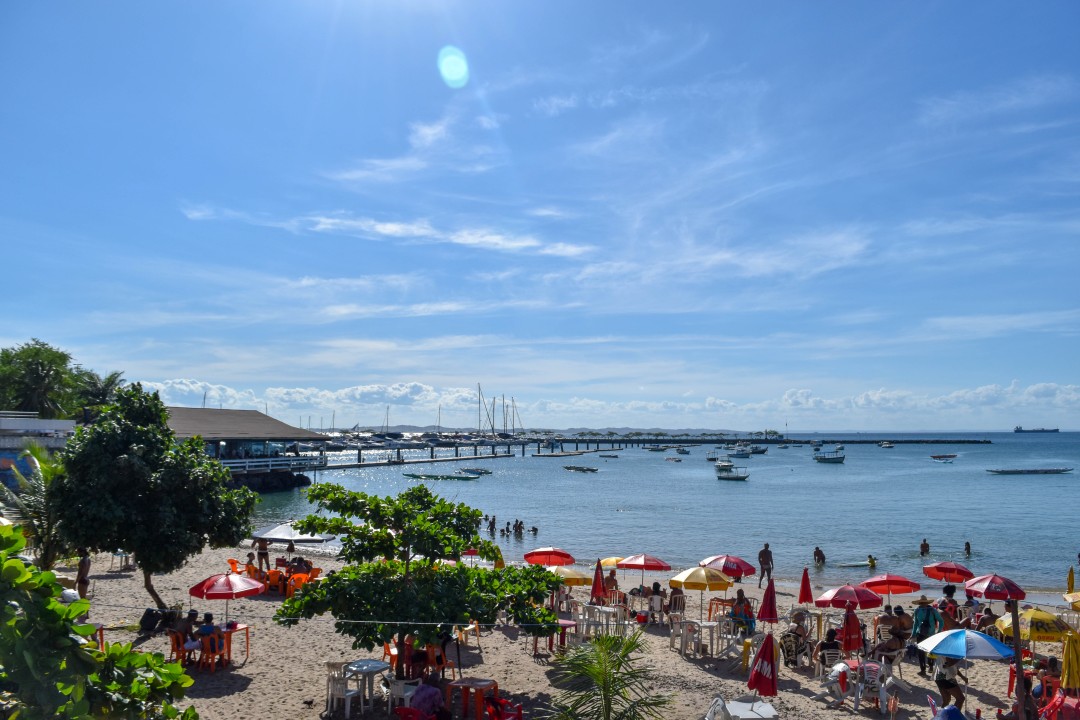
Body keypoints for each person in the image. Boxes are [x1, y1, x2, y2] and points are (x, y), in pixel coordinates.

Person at [911, 595, 944, 675]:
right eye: (921, 603)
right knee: (921, 652)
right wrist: (913, 634)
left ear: (926, 603)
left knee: (930, 651)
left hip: (931, 634)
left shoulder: (933, 610)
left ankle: (931, 666)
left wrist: (939, 631)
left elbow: (941, 620)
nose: (922, 604)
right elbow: (915, 623)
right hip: (920, 633)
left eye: (923, 603)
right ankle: (923, 669)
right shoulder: (917, 610)